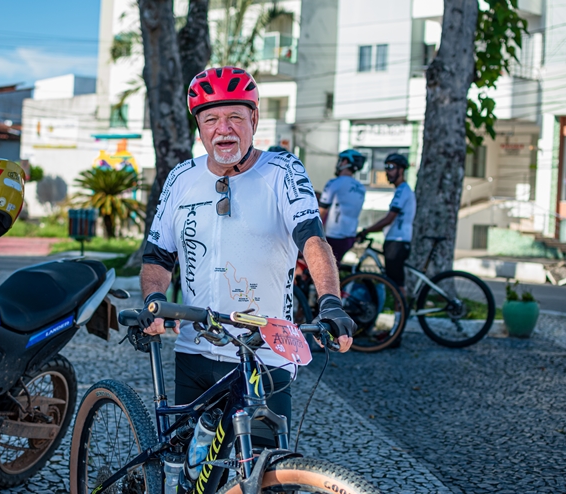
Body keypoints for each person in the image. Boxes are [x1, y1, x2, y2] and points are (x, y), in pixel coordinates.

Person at [129, 66, 355, 446]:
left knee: (264, 466)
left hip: (266, 352)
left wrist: (330, 301)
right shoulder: (181, 178)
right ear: (199, 127)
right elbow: (158, 256)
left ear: (254, 119)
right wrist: (155, 298)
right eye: (211, 119)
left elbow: (312, 240)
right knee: (190, 465)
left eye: (235, 116)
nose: (224, 129)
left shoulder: (282, 171)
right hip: (194, 350)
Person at [356, 153, 415, 298]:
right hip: (395, 240)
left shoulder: (403, 191)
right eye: (386, 167)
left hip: (397, 241)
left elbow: (389, 219)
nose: (387, 171)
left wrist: (366, 231)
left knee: (396, 284)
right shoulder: (401, 190)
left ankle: (400, 311)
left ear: (401, 170)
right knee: (394, 282)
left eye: (391, 167)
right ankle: (400, 309)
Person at [318, 150, 366, 265]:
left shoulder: (335, 183)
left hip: (333, 235)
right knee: (335, 268)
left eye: (340, 160)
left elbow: (321, 211)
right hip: (350, 236)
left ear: (345, 162)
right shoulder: (361, 187)